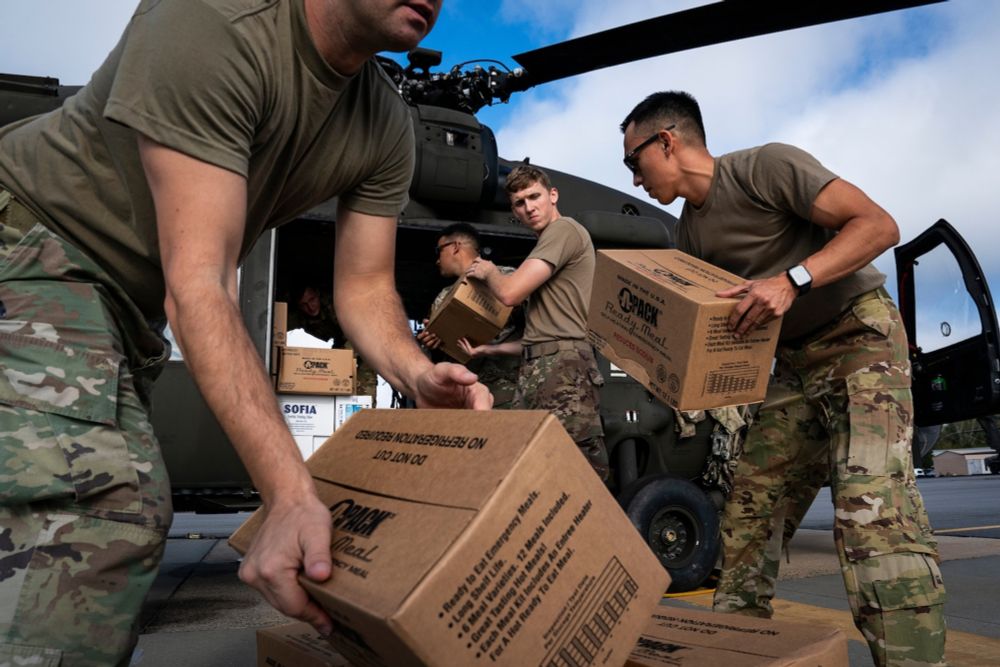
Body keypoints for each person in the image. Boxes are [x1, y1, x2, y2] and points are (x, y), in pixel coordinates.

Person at [0, 1, 494, 665]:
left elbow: (366, 289)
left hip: (118, 306)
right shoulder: (213, 21)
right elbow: (200, 283)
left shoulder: (384, 126)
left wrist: (416, 373)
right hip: (29, 244)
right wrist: (289, 494)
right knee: (103, 501)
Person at [619, 91, 945, 666]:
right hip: (792, 365)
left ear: (666, 141)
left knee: (871, 515)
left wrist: (791, 280)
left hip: (859, 341)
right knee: (748, 516)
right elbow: (722, 327)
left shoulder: (764, 168)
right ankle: (733, 652)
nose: (634, 177)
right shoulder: (689, 234)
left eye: (632, 161)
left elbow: (878, 224)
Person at [464, 165, 608, 481]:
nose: (529, 208)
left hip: (563, 368)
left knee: (572, 474)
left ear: (552, 195)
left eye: (534, 196)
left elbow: (510, 293)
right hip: (540, 367)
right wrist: (490, 349)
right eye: (519, 202)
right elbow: (540, 335)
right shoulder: (546, 246)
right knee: (534, 472)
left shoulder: (564, 230)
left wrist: (489, 272)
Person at [415, 223, 522, 408]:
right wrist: (433, 343)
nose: (437, 260)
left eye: (439, 250)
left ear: (455, 246)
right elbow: (443, 359)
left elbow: (539, 330)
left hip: (510, 393)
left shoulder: (506, 277)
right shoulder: (442, 298)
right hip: (468, 394)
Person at [288, 283, 379, 405]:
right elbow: (276, 323)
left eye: (312, 300)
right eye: (304, 304)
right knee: (334, 383)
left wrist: (340, 361)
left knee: (363, 388)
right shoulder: (299, 315)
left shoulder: (338, 304)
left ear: (318, 294)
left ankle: (364, 416)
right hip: (341, 342)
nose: (310, 307)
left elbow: (359, 331)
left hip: (364, 339)